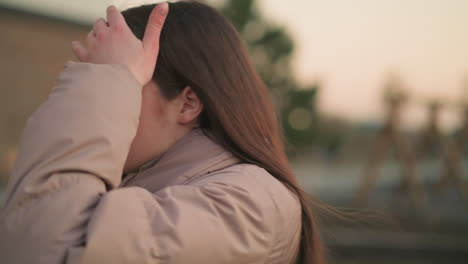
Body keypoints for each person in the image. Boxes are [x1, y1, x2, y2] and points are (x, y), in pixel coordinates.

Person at [0, 2, 326, 263]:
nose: (97, 102)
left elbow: (45, 248)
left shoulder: (248, 204)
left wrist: (107, 79)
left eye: (127, 82)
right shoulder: (141, 187)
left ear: (186, 104)